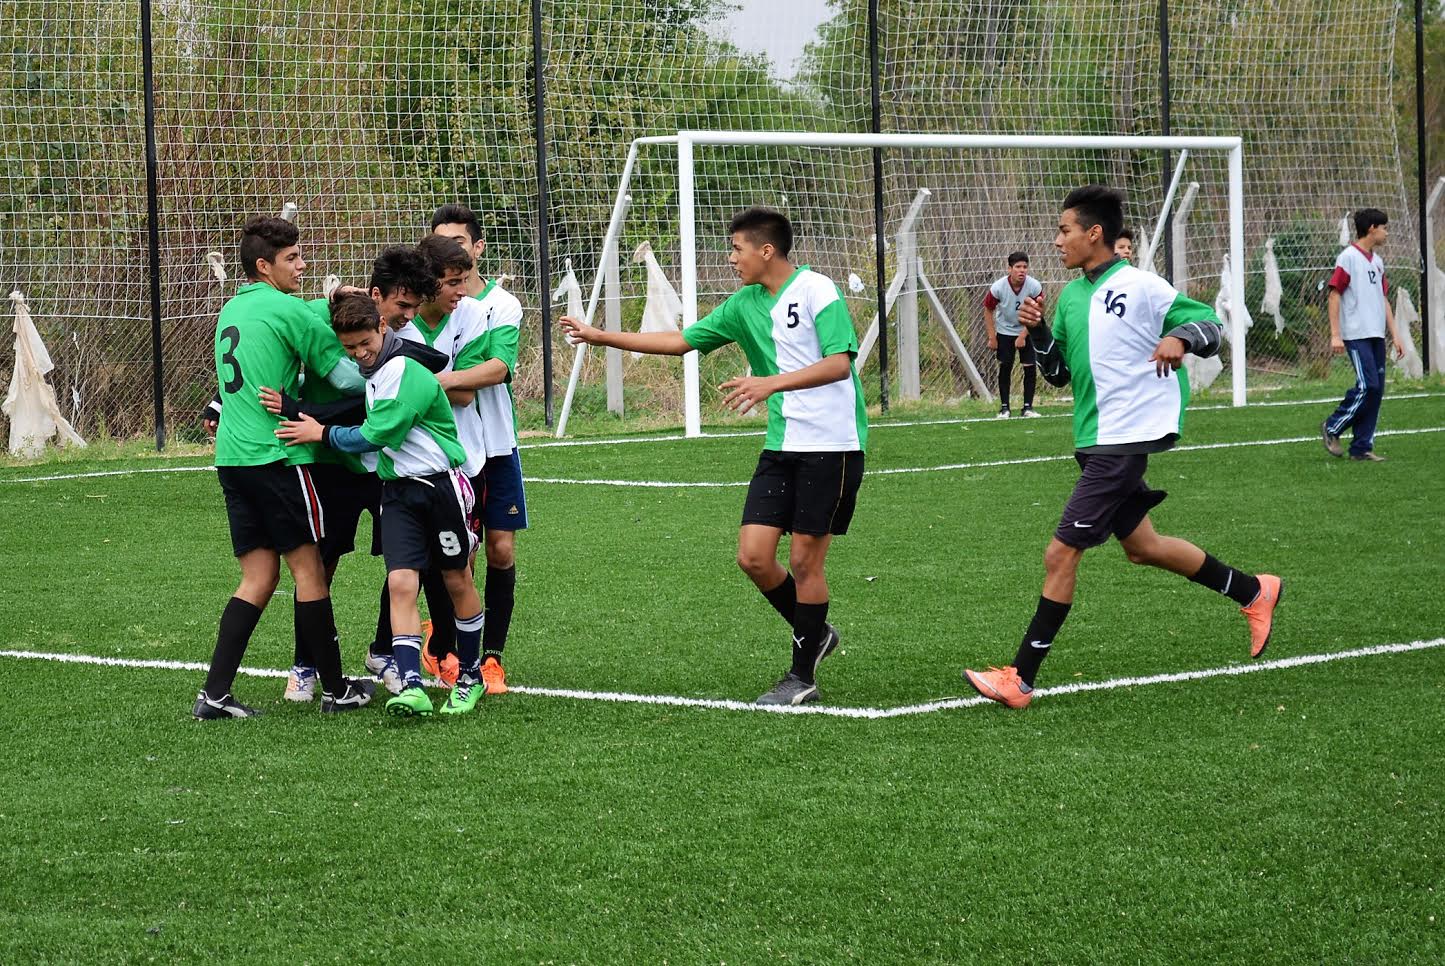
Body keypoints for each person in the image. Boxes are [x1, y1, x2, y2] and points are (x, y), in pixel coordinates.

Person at [963, 185, 1282, 709]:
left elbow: (1210, 324)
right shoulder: (1067, 298)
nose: (1057, 239)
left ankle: (1020, 678)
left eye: (1065, 230)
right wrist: (1040, 333)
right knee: (1144, 548)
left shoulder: (1141, 286)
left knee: (1060, 552)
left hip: (1124, 439)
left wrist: (1179, 339)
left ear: (1094, 234)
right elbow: (1059, 374)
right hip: (1095, 438)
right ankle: (1254, 591)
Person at [561, 206, 867, 706]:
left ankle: (801, 675)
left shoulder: (818, 290)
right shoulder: (744, 303)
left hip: (831, 447)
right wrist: (600, 337)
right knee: (753, 557)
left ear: (766, 250)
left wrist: (771, 383)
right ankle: (817, 635)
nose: (730, 258)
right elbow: (682, 340)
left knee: (805, 562)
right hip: (782, 446)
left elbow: (838, 363)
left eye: (736, 248)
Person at [194, 216, 375, 719]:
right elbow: (346, 378)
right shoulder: (288, 311)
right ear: (264, 265)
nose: (303, 264)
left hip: (232, 458)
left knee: (257, 576)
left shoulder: (233, 307)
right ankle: (338, 690)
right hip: (277, 456)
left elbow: (285, 330)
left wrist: (333, 299)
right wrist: (402, 375)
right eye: (293, 258)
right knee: (309, 569)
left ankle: (214, 694)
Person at [276, 292, 487, 717]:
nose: (358, 353)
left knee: (457, 580)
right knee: (401, 583)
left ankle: (471, 675)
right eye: (349, 348)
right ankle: (411, 684)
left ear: (382, 328)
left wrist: (322, 433)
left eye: (364, 344)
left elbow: (379, 434)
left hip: (438, 488)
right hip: (397, 494)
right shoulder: (374, 373)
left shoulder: (405, 370)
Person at [264, 246, 447, 700]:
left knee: (405, 562)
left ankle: (384, 650)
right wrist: (220, 399)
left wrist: (305, 413)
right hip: (334, 467)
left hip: (387, 468)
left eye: (413, 309)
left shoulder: (398, 349)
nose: (408, 316)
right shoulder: (320, 320)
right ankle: (305, 664)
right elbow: (270, 356)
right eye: (402, 306)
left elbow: (425, 367)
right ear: (374, 296)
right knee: (318, 565)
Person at [425, 205, 527, 694]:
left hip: (498, 444)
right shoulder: (428, 304)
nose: (453, 250)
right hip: (453, 449)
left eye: (460, 242)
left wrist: (431, 382)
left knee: (501, 550)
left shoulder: (500, 305)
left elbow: (499, 367)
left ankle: (492, 658)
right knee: (455, 556)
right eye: (441, 241)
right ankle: (443, 646)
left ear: (478, 247)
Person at [1320, 208, 1407, 462]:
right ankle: (1333, 426)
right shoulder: (1348, 258)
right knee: (1367, 385)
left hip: (1375, 335)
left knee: (1376, 390)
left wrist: (1395, 335)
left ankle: (1361, 447)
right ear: (1372, 229)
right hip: (1356, 334)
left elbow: (1383, 300)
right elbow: (1334, 294)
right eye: (1384, 227)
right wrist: (1335, 334)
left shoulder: (1377, 262)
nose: (1386, 233)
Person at [984, 252, 1043, 418]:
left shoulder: (1034, 286)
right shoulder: (998, 287)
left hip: (1027, 330)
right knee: (1005, 367)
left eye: (1025, 267)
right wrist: (992, 337)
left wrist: (1023, 336)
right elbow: (988, 309)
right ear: (1009, 269)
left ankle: (1028, 407)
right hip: (1004, 331)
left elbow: (1037, 311)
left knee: (1029, 367)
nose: (1022, 270)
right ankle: (1004, 408)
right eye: (1018, 267)